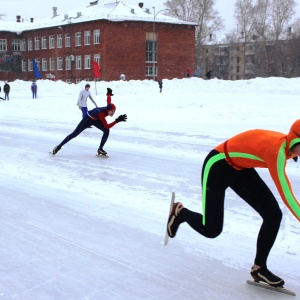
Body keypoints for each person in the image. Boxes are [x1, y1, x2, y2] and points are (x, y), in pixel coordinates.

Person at [167, 120, 300, 287]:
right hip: (217, 165)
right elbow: (287, 195)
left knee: (273, 215)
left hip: (241, 168)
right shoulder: (277, 153)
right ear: (296, 140)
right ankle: (180, 213)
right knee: (211, 229)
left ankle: (259, 268)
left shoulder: (290, 147)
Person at [51, 102, 127, 156]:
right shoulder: (101, 113)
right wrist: (117, 121)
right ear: (108, 110)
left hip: (96, 120)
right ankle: (58, 147)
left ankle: (100, 149)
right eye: (112, 111)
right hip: (88, 120)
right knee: (74, 134)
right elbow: (106, 125)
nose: (113, 113)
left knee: (106, 131)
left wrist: (109, 94)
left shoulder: (107, 109)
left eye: (114, 111)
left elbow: (109, 102)